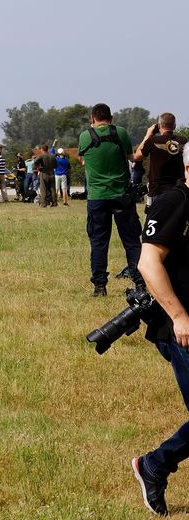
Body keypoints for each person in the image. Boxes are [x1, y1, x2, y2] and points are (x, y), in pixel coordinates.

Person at [131, 147, 189, 516]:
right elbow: (148, 263)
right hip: (182, 330)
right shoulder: (174, 202)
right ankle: (154, 465)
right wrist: (180, 315)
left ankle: (154, 464)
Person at [78, 103, 142, 295]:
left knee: (98, 242)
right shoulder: (120, 132)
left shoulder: (85, 136)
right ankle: (140, 283)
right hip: (122, 194)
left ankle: (100, 286)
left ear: (92, 118)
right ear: (111, 119)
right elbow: (131, 157)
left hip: (97, 197)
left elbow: (83, 160)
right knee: (131, 241)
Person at [136, 114, 189, 202]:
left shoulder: (153, 141)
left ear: (159, 125)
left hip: (157, 190)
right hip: (179, 189)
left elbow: (137, 157)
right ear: (174, 126)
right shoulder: (183, 141)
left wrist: (147, 136)